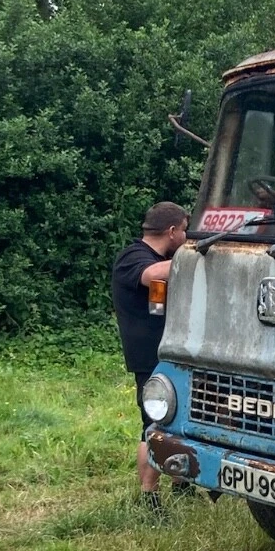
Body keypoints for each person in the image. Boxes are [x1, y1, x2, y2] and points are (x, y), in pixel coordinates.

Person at [111, 201, 189, 512]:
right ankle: (149, 496)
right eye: (184, 231)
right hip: (149, 358)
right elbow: (151, 274)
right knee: (152, 424)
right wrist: (198, 256)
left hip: (169, 354)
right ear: (172, 231)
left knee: (179, 421)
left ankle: (181, 484)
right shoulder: (134, 256)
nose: (186, 238)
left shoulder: (162, 256)